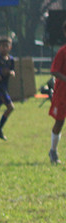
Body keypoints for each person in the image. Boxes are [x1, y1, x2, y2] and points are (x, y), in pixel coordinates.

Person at [48, 22, 66, 164]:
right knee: (59, 122)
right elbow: (54, 70)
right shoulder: (62, 51)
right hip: (62, 93)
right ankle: (53, 150)